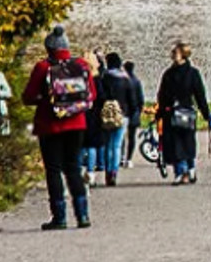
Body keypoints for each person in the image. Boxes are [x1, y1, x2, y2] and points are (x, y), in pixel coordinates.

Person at [20, 27, 94, 230]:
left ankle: (59, 217)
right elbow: (91, 95)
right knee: (73, 168)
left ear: (49, 48)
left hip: (50, 125)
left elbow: (28, 96)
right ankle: (83, 214)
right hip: (77, 123)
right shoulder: (81, 65)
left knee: (53, 170)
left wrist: (44, 100)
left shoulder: (43, 67)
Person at [155, 40, 211, 185]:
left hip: (186, 112)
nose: (172, 55)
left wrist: (206, 114)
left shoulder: (193, 73)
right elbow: (162, 95)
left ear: (183, 55)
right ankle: (181, 172)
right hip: (170, 113)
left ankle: (190, 170)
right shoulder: (168, 73)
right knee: (174, 144)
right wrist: (160, 112)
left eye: (175, 52)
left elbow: (200, 95)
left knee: (188, 142)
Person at [93, 52, 130, 186]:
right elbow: (131, 98)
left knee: (108, 144)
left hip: (107, 114)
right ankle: (114, 171)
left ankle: (108, 172)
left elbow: (99, 96)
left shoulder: (103, 78)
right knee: (117, 144)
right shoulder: (125, 79)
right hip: (122, 114)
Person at [122, 60, 145, 167]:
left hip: (124, 111)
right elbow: (141, 99)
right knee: (132, 137)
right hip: (134, 111)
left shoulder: (123, 81)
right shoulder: (137, 81)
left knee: (121, 136)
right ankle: (129, 158)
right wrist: (139, 110)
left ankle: (121, 157)